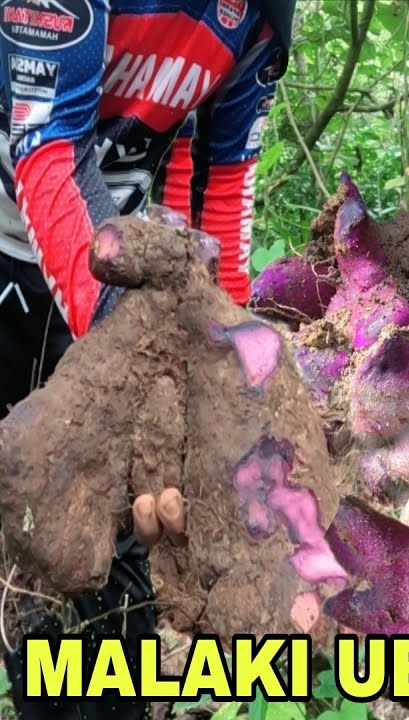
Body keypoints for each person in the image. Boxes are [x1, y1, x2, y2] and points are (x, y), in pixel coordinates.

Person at [0, 1, 296, 717]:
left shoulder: (260, 17)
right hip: (28, 239)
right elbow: (47, 146)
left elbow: (223, 183)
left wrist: (228, 381)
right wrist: (146, 369)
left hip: (118, 266)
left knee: (97, 557)